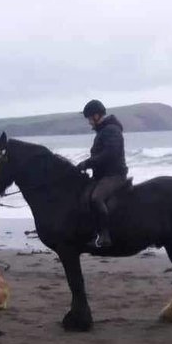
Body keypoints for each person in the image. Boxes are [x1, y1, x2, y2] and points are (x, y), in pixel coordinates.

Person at [76, 99, 128, 248]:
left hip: (114, 175)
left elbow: (110, 154)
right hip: (102, 176)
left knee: (96, 198)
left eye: (90, 118)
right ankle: (90, 233)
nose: (89, 122)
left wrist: (88, 163)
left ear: (97, 115)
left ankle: (105, 234)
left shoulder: (111, 130)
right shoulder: (103, 131)